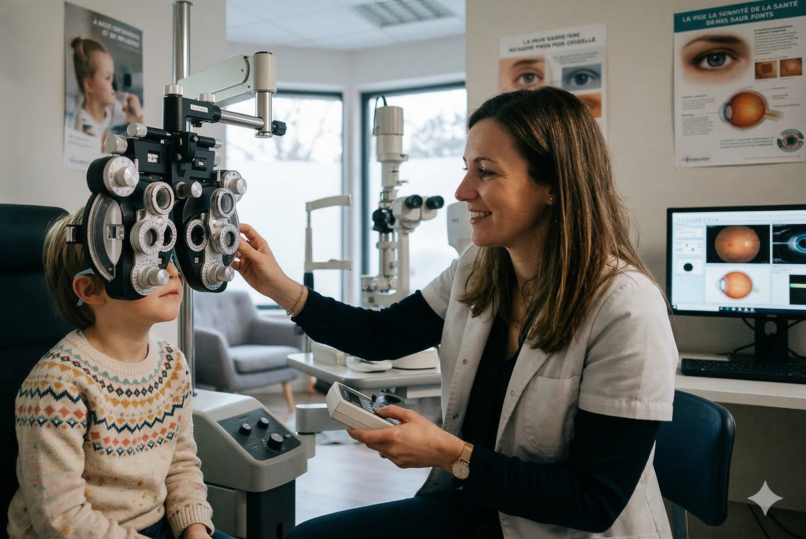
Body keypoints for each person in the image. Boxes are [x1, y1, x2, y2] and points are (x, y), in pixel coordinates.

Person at [234, 86, 679, 538]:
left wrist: (452, 454)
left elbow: (593, 501)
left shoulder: (625, 308)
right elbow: (381, 335)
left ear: (553, 186)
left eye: (485, 172)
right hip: (476, 510)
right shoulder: (478, 270)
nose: (463, 191)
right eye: (466, 170)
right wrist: (279, 286)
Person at [6, 208, 231, 539]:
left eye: (171, 255)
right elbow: (60, 518)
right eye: (147, 261)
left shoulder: (173, 364)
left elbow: (180, 464)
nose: (172, 272)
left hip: (158, 527)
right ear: (90, 290)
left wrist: (195, 531)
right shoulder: (57, 384)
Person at [70, 36, 144, 140]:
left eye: (112, 78)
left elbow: (136, 120)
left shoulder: (112, 109)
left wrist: (137, 112)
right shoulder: (83, 124)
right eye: (107, 78)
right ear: (89, 85)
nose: (114, 86)